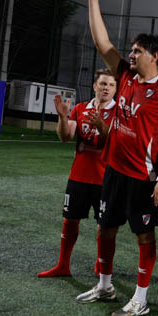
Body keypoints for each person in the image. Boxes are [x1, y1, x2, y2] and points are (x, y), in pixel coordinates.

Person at [75, 0, 158, 316]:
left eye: (137, 51)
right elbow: (102, 42)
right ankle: (105, 285)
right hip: (114, 172)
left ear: (155, 56)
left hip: (143, 177)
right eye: (132, 51)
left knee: (143, 237)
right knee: (105, 228)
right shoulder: (123, 75)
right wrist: (93, 0)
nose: (131, 55)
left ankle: (141, 298)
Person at [37, 69, 117, 277]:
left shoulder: (119, 113)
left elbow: (119, 144)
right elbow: (65, 136)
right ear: (95, 86)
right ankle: (63, 265)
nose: (106, 88)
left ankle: (102, 267)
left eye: (111, 85)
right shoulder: (81, 109)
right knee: (69, 221)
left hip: (106, 180)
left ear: (116, 89)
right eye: (103, 84)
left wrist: (101, 125)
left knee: (105, 227)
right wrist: (63, 118)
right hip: (79, 177)